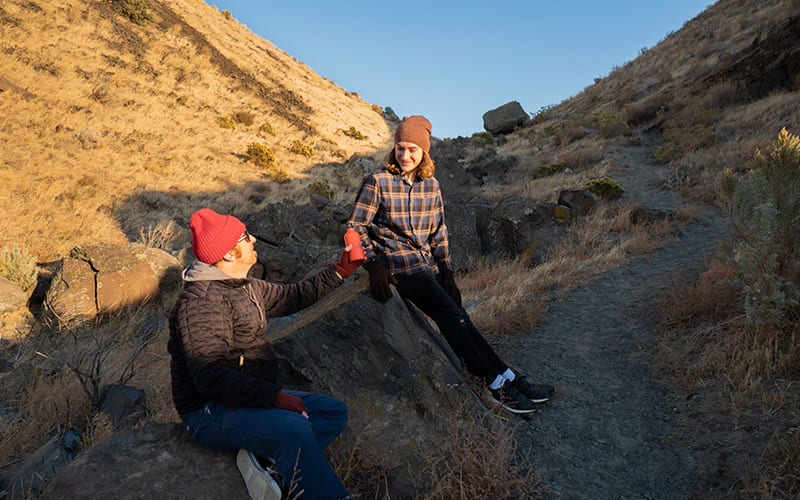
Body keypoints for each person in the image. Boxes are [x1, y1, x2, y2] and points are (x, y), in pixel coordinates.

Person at [347, 115, 554, 415]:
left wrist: (447, 272)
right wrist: (373, 264)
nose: (405, 156)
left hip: (426, 267)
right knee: (451, 317)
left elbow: (439, 231)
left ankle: (508, 376)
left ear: (424, 153)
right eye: (400, 148)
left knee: (461, 317)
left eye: (413, 150)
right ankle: (494, 384)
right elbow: (355, 226)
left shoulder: (431, 186)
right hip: (398, 267)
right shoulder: (377, 182)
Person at [168, 208, 360, 499]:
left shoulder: (245, 287)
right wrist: (276, 398)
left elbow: (292, 295)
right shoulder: (201, 303)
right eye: (245, 237)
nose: (254, 239)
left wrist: (340, 271)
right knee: (295, 430)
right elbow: (210, 377)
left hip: (244, 399)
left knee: (331, 413)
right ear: (230, 254)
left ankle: (268, 466)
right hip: (208, 411)